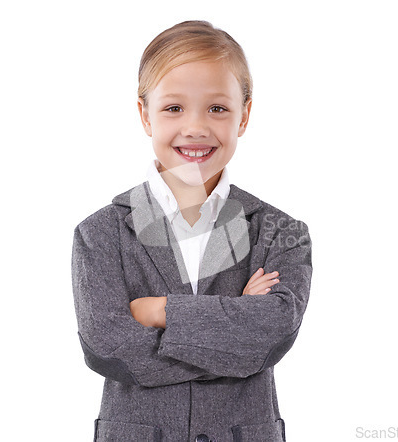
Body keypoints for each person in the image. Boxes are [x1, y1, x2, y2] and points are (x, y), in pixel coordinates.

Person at [71, 20, 312, 442]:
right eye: (174, 108)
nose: (196, 127)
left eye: (217, 108)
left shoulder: (280, 231)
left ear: (245, 115)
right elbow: (108, 347)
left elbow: (272, 333)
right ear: (145, 114)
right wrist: (233, 324)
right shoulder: (100, 233)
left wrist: (159, 311)